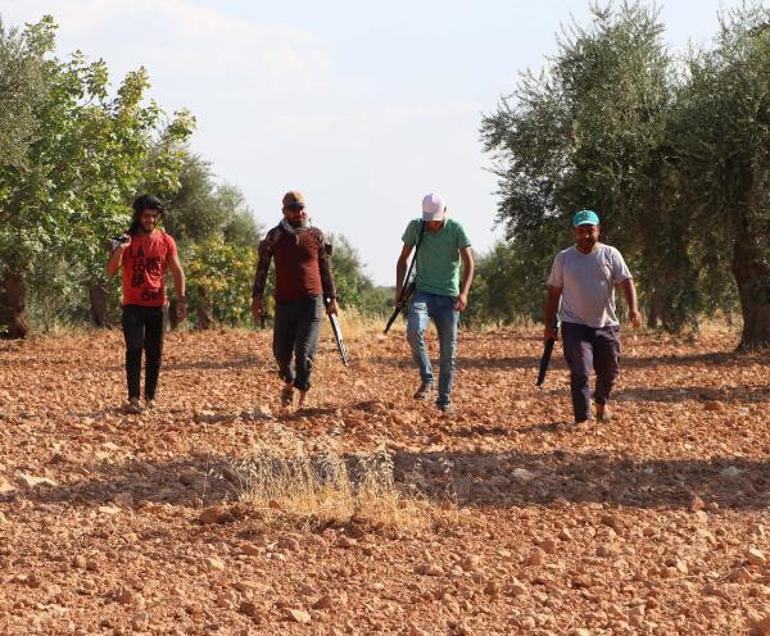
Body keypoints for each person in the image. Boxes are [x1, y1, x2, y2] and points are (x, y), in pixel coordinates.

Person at [544, 209, 641, 424]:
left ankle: (601, 402)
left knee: (609, 371)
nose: (586, 235)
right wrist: (549, 324)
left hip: (606, 324)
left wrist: (634, 308)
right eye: (581, 231)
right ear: (574, 232)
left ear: (598, 230)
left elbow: (626, 281)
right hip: (574, 325)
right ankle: (582, 419)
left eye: (590, 230)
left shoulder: (610, 254)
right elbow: (553, 292)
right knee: (580, 370)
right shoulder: (564, 258)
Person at [251, 191, 338, 409]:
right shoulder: (274, 236)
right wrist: (257, 297)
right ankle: (289, 382)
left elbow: (325, 268)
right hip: (285, 302)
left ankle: (303, 394)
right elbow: (262, 268)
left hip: (312, 301)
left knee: (304, 351)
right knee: (281, 352)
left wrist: (332, 298)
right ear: (284, 212)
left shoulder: (316, 235)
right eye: (293, 209)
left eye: (301, 208)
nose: (298, 212)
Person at [106, 194, 186, 413]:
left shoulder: (166, 240)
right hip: (132, 305)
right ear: (138, 216)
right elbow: (110, 271)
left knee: (154, 352)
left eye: (154, 216)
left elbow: (177, 270)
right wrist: (121, 250)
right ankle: (133, 398)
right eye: (146, 216)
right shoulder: (123, 238)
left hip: (158, 305)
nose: (150, 220)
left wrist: (181, 300)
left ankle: (150, 397)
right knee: (134, 347)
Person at [395, 192, 474, 413]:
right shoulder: (416, 227)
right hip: (423, 293)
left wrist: (464, 293)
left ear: (445, 213)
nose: (432, 225)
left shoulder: (456, 229)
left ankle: (444, 400)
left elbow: (469, 263)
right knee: (413, 331)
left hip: (449, 297)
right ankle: (427, 377)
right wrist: (399, 290)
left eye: (436, 220)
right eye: (429, 220)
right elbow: (403, 259)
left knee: (448, 352)